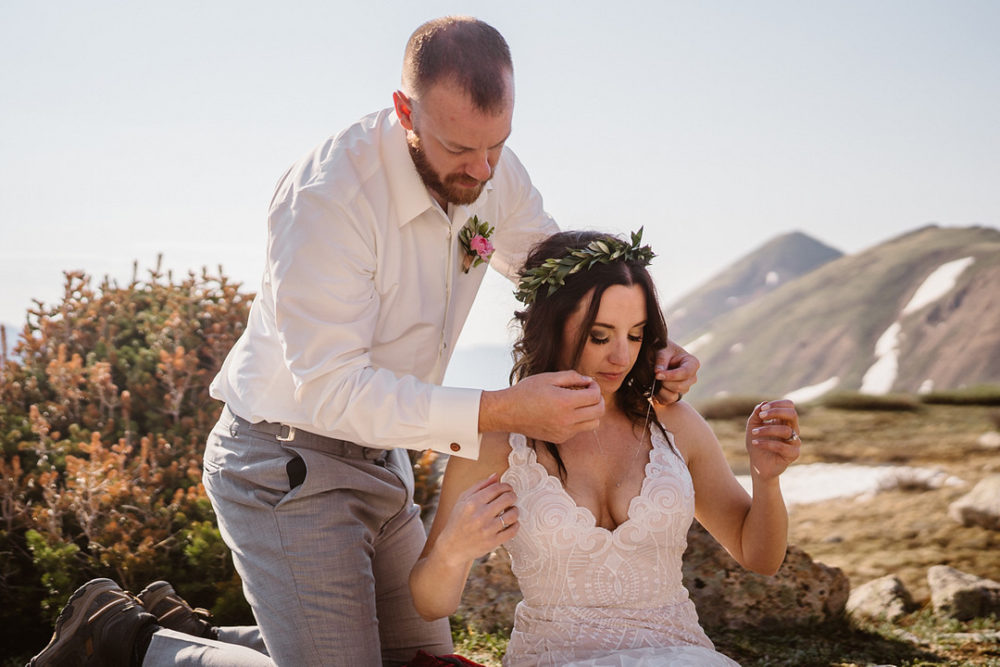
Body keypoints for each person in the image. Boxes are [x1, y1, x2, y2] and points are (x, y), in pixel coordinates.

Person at [27, 16, 699, 667]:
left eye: (497, 144)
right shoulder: (327, 200)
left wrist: (651, 348)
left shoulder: (491, 165)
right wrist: (503, 408)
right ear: (405, 112)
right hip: (284, 462)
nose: (482, 170)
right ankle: (133, 638)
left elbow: (558, 276)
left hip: (385, 460)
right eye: (460, 149)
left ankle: (218, 629)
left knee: (427, 665)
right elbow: (332, 388)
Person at [410, 229, 801, 666]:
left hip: (680, 656)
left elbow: (760, 557)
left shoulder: (674, 424)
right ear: (551, 327)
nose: (621, 357)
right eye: (600, 336)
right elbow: (431, 604)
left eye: (635, 335)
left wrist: (767, 479)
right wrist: (453, 550)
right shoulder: (498, 440)